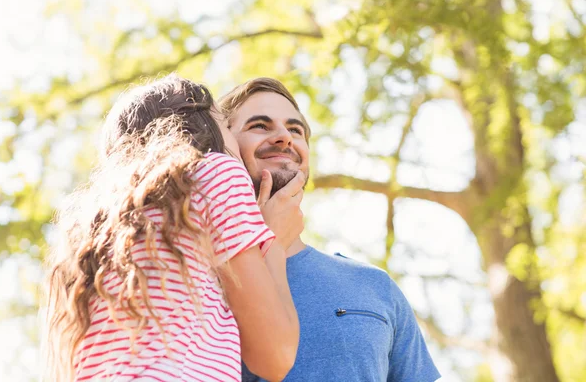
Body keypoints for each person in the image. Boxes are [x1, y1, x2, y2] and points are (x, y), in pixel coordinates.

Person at [43, 74, 302, 382]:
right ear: (205, 128)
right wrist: (275, 238)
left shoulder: (84, 230)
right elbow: (276, 357)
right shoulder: (215, 172)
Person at [219, 77, 441, 382]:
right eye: (260, 125)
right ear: (224, 148)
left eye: (295, 130)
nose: (284, 137)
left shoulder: (375, 286)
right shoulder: (196, 281)